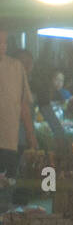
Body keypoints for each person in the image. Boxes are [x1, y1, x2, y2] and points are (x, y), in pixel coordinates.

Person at [0, 32, 38, 178]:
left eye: (4, 42)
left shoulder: (15, 67)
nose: (3, 46)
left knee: (7, 184)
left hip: (8, 141)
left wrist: (31, 135)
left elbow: (23, 105)